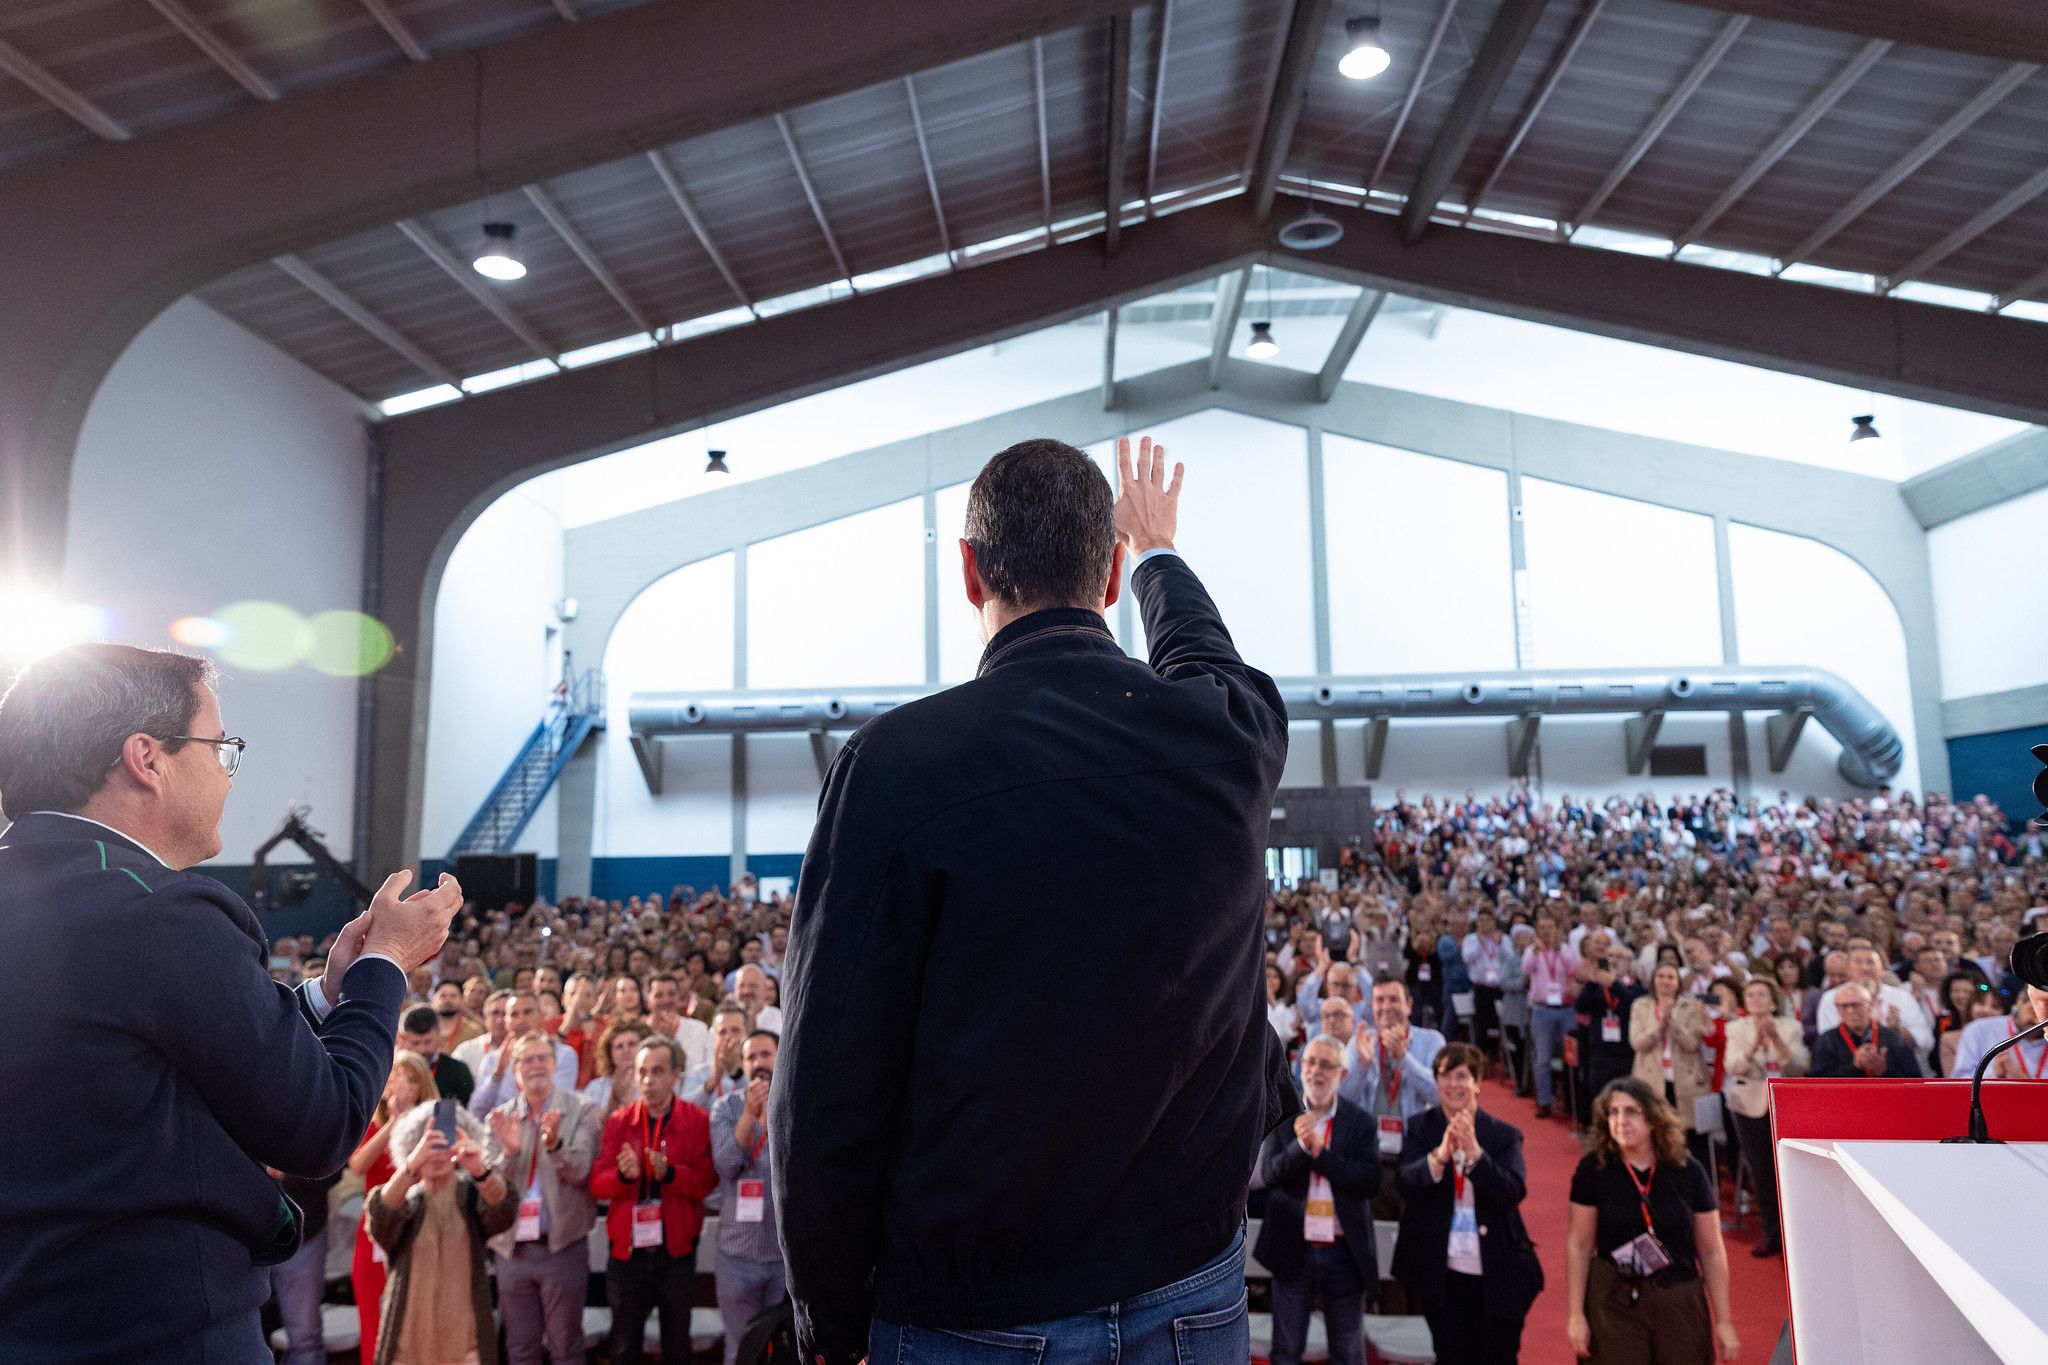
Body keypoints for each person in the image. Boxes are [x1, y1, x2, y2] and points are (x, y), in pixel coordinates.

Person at [776, 437, 1297, 1365]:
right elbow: (1206, 658)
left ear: (970, 571)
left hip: (969, 1307)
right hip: (1192, 1279)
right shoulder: (1226, 737)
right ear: (1107, 577)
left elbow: (827, 1086)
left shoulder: (894, 766)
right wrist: (1159, 554)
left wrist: (827, 1316)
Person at [0, 643, 463, 1362]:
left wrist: (322, 996)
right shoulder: (162, 912)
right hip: (158, 1328)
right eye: (221, 746)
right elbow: (321, 1124)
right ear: (146, 758)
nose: (225, 770)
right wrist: (386, 963)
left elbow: (135, 1042)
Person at [1565, 1078, 1740, 1364]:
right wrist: (1576, 1314)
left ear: (1654, 1118)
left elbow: (1711, 1250)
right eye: (1613, 1112)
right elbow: (1579, 1244)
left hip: (1679, 1299)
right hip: (1614, 1301)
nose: (1621, 1120)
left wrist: (1724, 1321)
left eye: (1631, 1111)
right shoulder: (1593, 1170)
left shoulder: (1689, 1171)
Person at [1391, 1042, 1543, 1365]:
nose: (1453, 1084)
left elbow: (1511, 1192)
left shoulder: (1503, 1135)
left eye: (1462, 1076)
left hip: (1496, 1273)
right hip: (1440, 1273)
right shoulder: (1420, 1128)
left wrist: (1476, 1156)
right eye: (1445, 1075)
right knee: (1450, 1356)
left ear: (1477, 1082)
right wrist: (1439, 1157)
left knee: (1496, 1356)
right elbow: (1405, 1183)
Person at [591, 1037, 718, 1365]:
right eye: (642, 1072)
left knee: (677, 1347)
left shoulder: (696, 1120)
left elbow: (706, 1182)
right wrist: (624, 1177)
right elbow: (598, 1186)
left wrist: (670, 1173)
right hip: (627, 1256)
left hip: (676, 1254)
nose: (648, 1080)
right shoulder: (620, 1121)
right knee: (624, 1348)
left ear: (678, 1074)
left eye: (658, 1071)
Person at [1255, 1036, 1380, 1365]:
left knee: (1347, 1353)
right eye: (1310, 1062)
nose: (1316, 1071)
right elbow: (1269, 1175)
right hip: (1294, 1250)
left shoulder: (1360, 1122)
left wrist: (1320, 1155)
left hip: (1343, 1253)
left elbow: (1370, 1182)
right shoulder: (1284, 1115)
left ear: (1342, 1073)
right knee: (1286, 1351)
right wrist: (1299, 1148)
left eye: (1326, 1064)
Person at [486, 1033, 603, 1365]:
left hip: (562, 1246)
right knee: (520, 1348)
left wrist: (554, 1147)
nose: (535, 1066)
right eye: (527, 1059)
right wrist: (509, 1154)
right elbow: (488, 1186)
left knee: (566, 1346)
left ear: (555, 1065)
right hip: (512, 1249)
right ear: (514, 1070)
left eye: (542, 1058)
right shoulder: (499, 1117)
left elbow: (581, 1171)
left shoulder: (582, 1110)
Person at [365, 1119, 517, 1365]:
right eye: (428, 1144)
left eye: (444, 1143)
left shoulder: (471, 1195)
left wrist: (480, 1170)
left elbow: (504, 1212)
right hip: (407, 1349)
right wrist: (410, 1166)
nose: (436, 1154)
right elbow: (381, 1220)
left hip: (466, 1350)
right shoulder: (405, 1201)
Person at [349, 1050, 440, 1359]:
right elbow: (358, 1165)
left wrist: (409, 1122)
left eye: (411, 1081)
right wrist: (393, 1123)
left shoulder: (432, 1127)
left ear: (423, 1087)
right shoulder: (371, 1123)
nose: (401, 1087)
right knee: (375, 1328)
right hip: (374, 1236)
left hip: (420, 1232)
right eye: (394, 1079)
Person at [710, 1031, 789, 1365]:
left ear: (780, 1056)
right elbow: (727, 1164)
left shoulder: (793, 1103)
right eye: (751, 1057)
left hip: (783, 1257)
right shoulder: (725, 1107)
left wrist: (773, 1112)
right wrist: (748, 1115)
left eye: (765, 1055)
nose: (759, 1063)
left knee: (782, 1351)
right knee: (740, 1350)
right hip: (736, 1257)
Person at [1720, 977, 1807, 1257]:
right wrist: (1755, 1044)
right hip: (1750, 1103)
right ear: (1745, 1002)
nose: (1757, 999)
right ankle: (1772, 1233)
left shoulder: (1791, 1026)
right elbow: (1733, 1066)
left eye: (1762, 994)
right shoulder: (1735, 1028)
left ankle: (1798, 1232)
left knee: (1792, 1168)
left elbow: (1800, 1067)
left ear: (1772, 1000)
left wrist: (1778, 1041)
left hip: (1787, 1101)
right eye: (1751, 994)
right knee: (1762, 1170)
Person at [1630, 963, 1710, 1139]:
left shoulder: (1690, 1007)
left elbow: (1691, 1044)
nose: (1665, 981)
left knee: (1688, 1135)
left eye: (1670, 977)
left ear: (1678, 982)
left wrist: (1672, 1024)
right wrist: (1659, 1026)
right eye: (1661, 976)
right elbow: (1637, 1043)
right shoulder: (1641, 1005)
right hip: (1651, 1076)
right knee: (1654, 1132)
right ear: (1653, 980)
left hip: (1685, 1077)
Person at [470, 991, 579, 1113]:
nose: (521, 1020)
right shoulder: (492, 1060)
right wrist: (498, 1072)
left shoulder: (564, 1055)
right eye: (514, 1014)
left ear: (541, 1016)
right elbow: (476, 1112)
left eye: (527, 1012)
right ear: (506, 1021)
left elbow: (558, 1105)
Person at [1523, 916, 1581, 1118]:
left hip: (1565, 1008)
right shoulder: (1532, 951)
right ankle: (1544, 1101)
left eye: (1550, 927)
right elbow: (1526, 970)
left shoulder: (1565, 949)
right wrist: (1539, 949)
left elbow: (1573, 969)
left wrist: (1558, 950)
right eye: (1543, 928)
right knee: (1543, 1058)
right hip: (1542, 1009)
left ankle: (1570, 1099)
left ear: (1557, 929)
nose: (1547, 931)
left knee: (1571, 1056)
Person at [1810, 983, 1920, 1078]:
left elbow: (1914, 1079)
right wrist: (1854, 1066)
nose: (1850, 1011)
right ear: (1838, 1009)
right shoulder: (1826, 1041)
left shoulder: (1893, 1039)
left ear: (1870, 1005)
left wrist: (1884, 1071)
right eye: (1844, 1006)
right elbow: (1817, 1082)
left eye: (1856, 1005)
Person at [398, 1003, 476, 1107]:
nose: (422, 1049)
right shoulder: (392, 1071)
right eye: (415, 1043)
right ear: (402, 1039)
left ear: (439, 1033)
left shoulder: (458, 1070)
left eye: (428, 1042)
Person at [685, 1001, 750, 1113]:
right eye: (722, 1032)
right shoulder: (699, 1073)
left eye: (735, 1031)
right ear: (714, 1037)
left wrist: (736, 1073)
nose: (728, 1037)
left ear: (747, 1034)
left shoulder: (756, 1070)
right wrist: (713, 1081)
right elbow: (683, 1111)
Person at [583, 1017, 648, 1118]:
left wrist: (628, 1102)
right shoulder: (595, 1088)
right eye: (619, 1046)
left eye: (632, 1044)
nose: (625, 1051)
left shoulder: (652, 1082)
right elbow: (591, 1129)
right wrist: (613, 1101)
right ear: (609, 1054)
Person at [454, 989, 512, 1078]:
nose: (500, 1020)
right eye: (495, 1013)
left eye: (505, 1014)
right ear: (485, 1018)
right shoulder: (466, 1051)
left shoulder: (528, 1049)